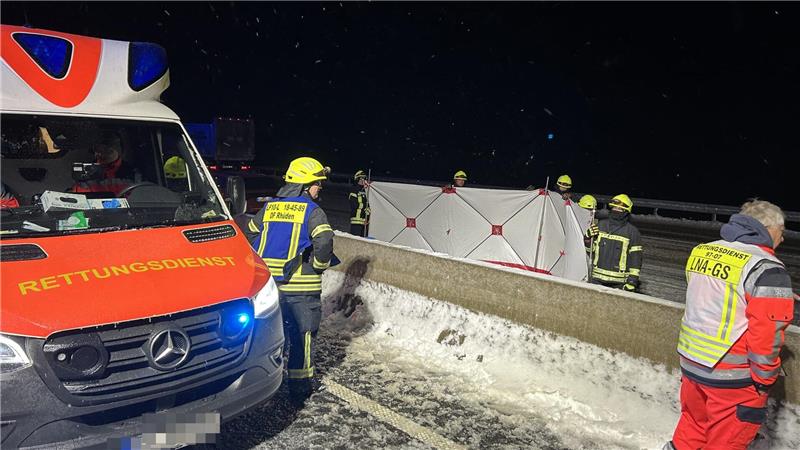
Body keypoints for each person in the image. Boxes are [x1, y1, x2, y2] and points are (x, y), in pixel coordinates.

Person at [667, 200, 793, 450]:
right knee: (727, 442)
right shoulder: (766, 267)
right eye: (782, 231)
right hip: (733, 377)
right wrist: (764, 379)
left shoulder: (704, 250)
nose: (782, 238)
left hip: (693, 364)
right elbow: (766, 335)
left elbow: (714, 297)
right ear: (768, 229)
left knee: (692, 428)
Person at [244, 157, 334, 403]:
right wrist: (318, 265)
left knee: (271, 334)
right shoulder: (313, 211)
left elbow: (251, 231)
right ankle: (300, 388)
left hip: (269, 288)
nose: (320, 188)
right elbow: (324, 241)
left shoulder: (270, 207)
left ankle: (264, 383)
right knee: (302, 336)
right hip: (301, 289)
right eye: (317, 183)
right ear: (305, 186)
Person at [586, 194, 642, 291]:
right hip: (596, 279)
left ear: (626, 211)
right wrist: (587, 239)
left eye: (620, 209)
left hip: (619, 283)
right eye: (614, 207)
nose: (616, 210)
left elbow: (635, 259)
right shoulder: (600, 225)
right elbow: (590, 252)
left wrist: (632, 281)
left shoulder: (632, 232)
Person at [349, 169, 370, 237]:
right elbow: (354, 205)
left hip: (364, 222)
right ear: (357, 179)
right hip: (356, 221)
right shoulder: (354, 190)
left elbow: (368, 206)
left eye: (364, 178)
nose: (363, 180)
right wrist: (364, 208)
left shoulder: (366, 191)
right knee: (355, 241)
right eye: (361, 178)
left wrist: (367, 217)